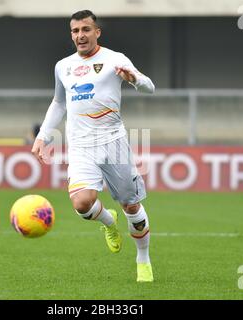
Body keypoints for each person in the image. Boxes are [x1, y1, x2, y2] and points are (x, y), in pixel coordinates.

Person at [32, 10, 155, 282]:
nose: (80, 36)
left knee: (131, 206)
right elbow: (59, 103)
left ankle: (143, 259)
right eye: (75, 31)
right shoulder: (62, 66)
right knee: (82, 204)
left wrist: (133, 79)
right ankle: (109, 223)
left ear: (97, 31)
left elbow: (150, 87)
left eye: (85, 29)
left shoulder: (115, 59)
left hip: (113, 143)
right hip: (80, 146)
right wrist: (43, 136)